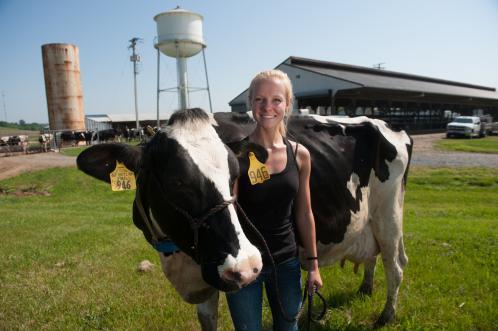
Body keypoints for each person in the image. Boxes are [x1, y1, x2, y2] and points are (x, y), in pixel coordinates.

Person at [227, 69, 323, 331]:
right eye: (259, 99)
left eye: (276, 100)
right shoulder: (236, 155)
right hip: (244, 265)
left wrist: (313, 266)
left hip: (287, 263)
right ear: (250, 103)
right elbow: (229, 212)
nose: (267, 107)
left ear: (288, 105)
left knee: (288, 326)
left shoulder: (300, 155)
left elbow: (305, 213)